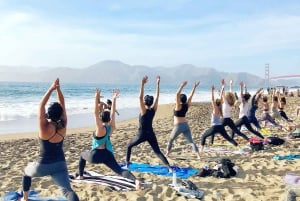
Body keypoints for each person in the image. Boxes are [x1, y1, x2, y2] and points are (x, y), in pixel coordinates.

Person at [20, 78, 79, 201]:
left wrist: (51, 88)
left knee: (26, 172)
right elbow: (62, 103)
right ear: (61, 114)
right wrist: (58, 89)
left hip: (42, 166)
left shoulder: (44, 127)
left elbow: (41, 105)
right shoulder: (63, 124)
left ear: (48, 114)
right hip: (60, 165)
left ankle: (25, 199)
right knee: (68, 192)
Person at [78, 88, 141, 189]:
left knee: (82, 155)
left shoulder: (100, 129)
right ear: (109, 119)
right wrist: (114, 99)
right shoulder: (110, 128)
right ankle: (136, 181)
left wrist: (95, 98)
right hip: (107, 154)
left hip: (95, 156)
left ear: (100, 118)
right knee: (120, 170)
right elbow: (112, 114)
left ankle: (81, 176)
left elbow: (95, 113)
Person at [125, 76, 172, 172]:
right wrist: (158, 83)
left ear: (145, 102)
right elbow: (158, 96)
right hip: (151, 134)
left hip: (142, 134)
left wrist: (142, 84)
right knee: (157, 151)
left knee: (129, 146)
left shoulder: (144, 111)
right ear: (151, 103)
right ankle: (169, 167)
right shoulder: (153, 110)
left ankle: (127, 163)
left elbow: (139, 97)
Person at [165, 81, 201, 159]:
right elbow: (191, 96)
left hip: (178, 126)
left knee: (171, 140)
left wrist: (181, 86)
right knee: (191, 142)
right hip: (185, 125)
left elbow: (177, 94)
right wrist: (194, 87)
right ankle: (198, 156)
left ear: (180, 100)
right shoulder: (186, 105)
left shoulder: (179, 106)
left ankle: (167, 154)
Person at [199, 85, 238, 151]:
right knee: (228, 138)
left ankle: (201, 150)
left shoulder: (215, 108)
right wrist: (222, 89)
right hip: (220, 127)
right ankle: (237, 146)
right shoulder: (220, 108)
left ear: (215, 103)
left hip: (215, 127)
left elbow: (212, 99)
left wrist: (212, 91)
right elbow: (220, 99)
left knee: (203, 136)